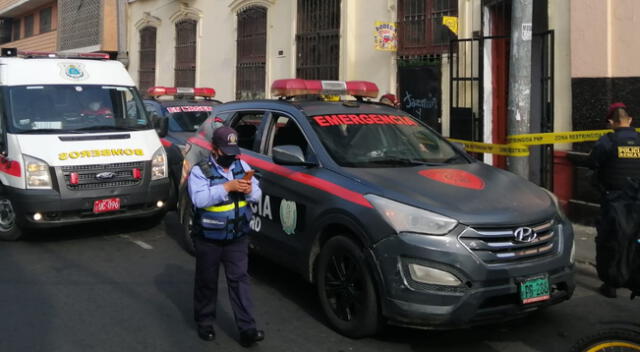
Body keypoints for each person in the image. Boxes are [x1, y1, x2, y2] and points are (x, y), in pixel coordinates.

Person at [187, 126, 264, 347]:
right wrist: (227, 187)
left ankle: (247, 329)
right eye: (226, 153)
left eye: (233, 152)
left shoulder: (242, 166)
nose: (230, 157)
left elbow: (257, 194)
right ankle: (205, 323)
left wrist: (249, 190)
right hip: (209, 238)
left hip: (237, 236)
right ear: (214, 149)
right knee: (207, 282)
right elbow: (199, 200)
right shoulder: (200, 171)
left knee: (239, 281)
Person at [589, 102, 640, 298]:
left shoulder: (607, 141)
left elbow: (593, 162)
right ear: (630, 120)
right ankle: (633, 278)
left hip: (614, 200)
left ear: (611, 122)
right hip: (637, 200)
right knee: (635, 239)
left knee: (611, 240)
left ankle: (610, 284)